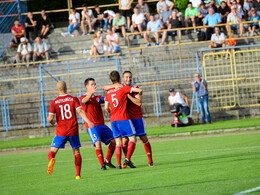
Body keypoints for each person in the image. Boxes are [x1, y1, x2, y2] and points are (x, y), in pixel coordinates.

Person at [103, 71, 154, 167]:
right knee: (125, 140)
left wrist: (128, 95)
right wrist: (115, 87)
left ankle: (150, 160)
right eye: (126, 77)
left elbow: (139, 103)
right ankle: (127, 160)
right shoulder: (120, 88)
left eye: (130, 77)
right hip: (125, 118)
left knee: (143, 138)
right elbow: (105, 87)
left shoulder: (133, 88)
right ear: (122, 78)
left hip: (136, 117)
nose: (128, 79)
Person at [46, 81, 94, 180]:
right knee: (76, 151)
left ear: (57, 89)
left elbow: (50, 118)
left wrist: (51, 122)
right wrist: (88, 121)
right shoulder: (73, 99)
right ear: (66, 88)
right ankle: (78, 175)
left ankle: (52, 159)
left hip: (61, 131)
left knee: (52, 151)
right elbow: (80, 111)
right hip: (73, 130)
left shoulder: (54, 102)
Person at [80, 78, 116, 171]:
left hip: (102, 125)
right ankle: (102, 165)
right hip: (92, 126)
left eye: (95, 84)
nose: (94, 86)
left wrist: (112, 89)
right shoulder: (83, 97)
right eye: (92, 84)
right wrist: (91, 93)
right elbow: (84, 101)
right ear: (87, 86)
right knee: (98, 143)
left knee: (114, 141)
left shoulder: (98, 98)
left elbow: (107, 99)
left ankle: (107, 160)